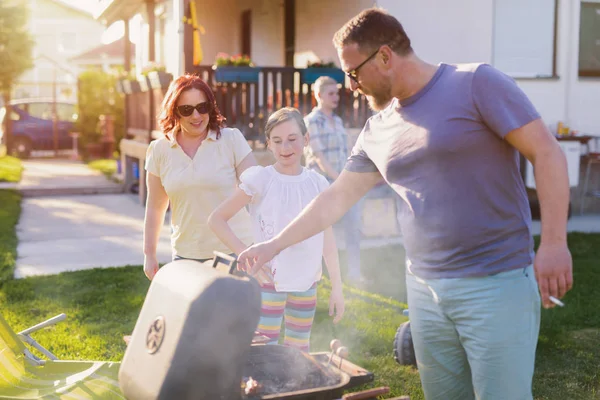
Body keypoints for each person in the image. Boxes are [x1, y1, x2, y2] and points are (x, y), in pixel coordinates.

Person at [238, 8, 573, 400]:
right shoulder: (378, 129)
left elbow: (548, 154)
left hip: (494, 283)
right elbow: (333, 199)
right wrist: (272, 245)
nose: (350, 86)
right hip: (425, 290)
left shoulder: (476, 83)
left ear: (384, 56)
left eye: (353, 72)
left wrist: (553, 243)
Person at [208, 107, 344, 352]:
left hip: (306, 284)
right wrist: (246, 256)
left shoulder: (317, 184)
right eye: (278, 141)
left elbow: (327, 239)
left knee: (298, 353)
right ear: (268, 144)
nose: (285, 148)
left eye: (292, 139)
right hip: (268, 282)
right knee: (262, 350)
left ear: (306, 140)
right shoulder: (260, 180)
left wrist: (337, 286)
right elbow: (217, 219)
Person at [143, 74, 255, 280]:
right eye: (187, 110)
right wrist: (149, 254)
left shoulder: (231, 139)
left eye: (202, 107)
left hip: (235, 252)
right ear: (173, 111)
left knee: (231, 313)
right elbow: (154, 208)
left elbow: (256, 188)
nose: (196, 116)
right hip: (186, 256)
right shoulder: (159, 150)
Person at [304, 76, 364, 283]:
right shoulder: (311, 121)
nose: (335, 97)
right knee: (320, 233)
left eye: (337, 93)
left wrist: (348, 180)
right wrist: (340, 182)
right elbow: (319, 157)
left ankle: (354, 274)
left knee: (353, 228)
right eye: (331, 93)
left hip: (342, 184)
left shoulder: (338, 122)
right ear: (318, 95)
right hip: (322, 186)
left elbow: (347, 152)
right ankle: (315, 276)